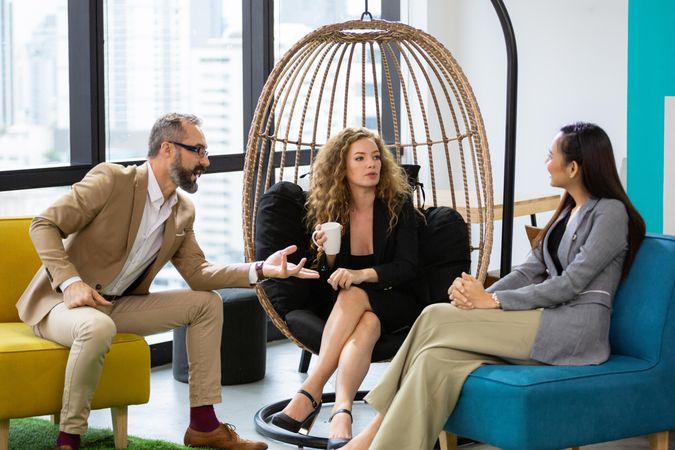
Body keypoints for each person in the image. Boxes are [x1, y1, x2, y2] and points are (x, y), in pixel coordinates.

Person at [16, 113, 319, 450]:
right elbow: (43, 224)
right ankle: (69, 439)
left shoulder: (183, 210)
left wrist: (262, 268)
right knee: (97, 328)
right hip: (60, 305)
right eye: (198, 150)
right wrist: (71, 283)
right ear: (167, 149)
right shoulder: (112, 180)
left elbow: (198, 273)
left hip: (115, 304)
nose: (206, 161)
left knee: (206, 304)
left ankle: (204, 425)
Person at [343, 122, 647, 450]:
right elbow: (529, 271)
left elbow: (571, 284)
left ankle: (366, 435)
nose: (546, 162)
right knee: (434, 359)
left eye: (551, 156)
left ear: (573, 167)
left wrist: (494, 301)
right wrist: (479, 295)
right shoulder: (567, 213)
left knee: (434, 316)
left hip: (574, 331)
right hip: (545, 320)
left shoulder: (610, 214)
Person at [269, 127, 422, 449]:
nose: (372, 164)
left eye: (376, 157)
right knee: (366, 323)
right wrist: (329, 253)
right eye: (361, 158)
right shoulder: (330, 207)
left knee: (354, 293)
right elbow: (328, 276)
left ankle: (310, 391)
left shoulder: (398, 202)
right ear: (343, 166)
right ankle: (342, 410)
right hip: (349, 307)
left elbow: (408, 268)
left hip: (396, 298)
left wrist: (361, 275)